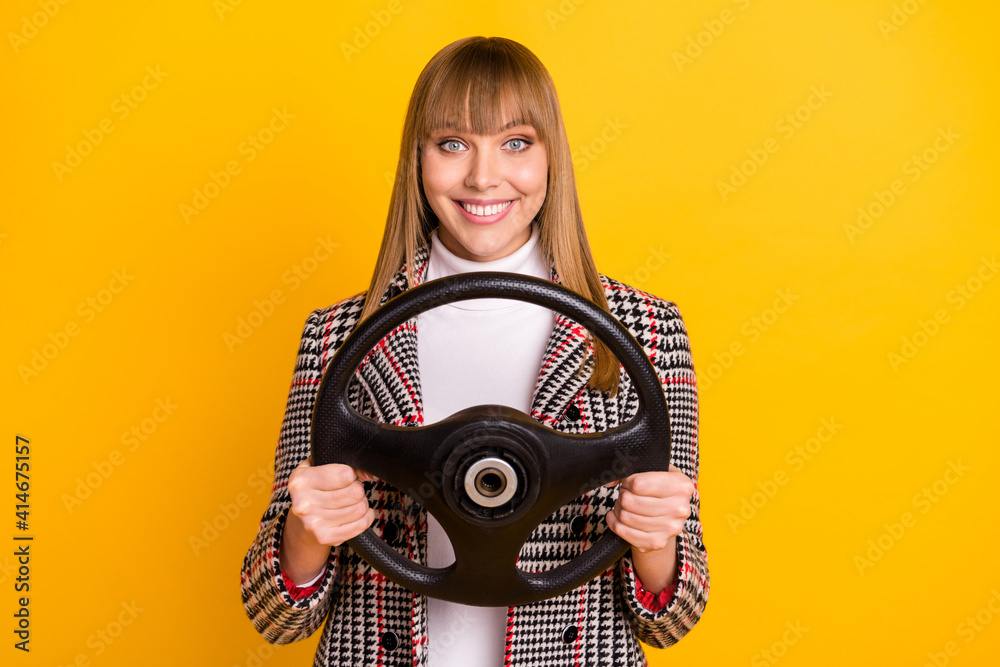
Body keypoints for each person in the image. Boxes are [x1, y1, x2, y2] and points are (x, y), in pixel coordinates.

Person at [241, 36, 709, 666]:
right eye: (453, 144)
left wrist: (655, 541)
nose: (483, 176)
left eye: (516, 143)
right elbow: (275, 617)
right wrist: (306, 533)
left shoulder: (644, 331)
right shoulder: (338, 336)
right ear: (417, 159)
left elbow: (673, 620)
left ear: (551, 158)